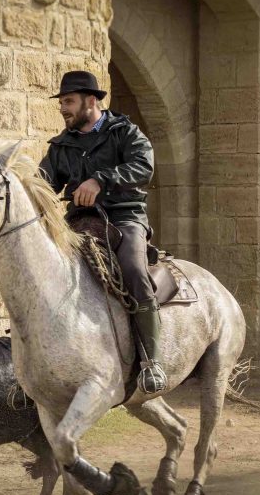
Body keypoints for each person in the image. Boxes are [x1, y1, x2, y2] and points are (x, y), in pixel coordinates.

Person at [38, 70, 166, 394]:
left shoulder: (125, 132)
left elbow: (144, 166)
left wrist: (101, 180)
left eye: (69, 101)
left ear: (90, 101)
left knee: (135, 272)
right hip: (79, 222)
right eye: (62, 102)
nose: (63, 108)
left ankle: (153, 361)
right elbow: (42, 184)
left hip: (125, 218)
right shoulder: (61, 146)